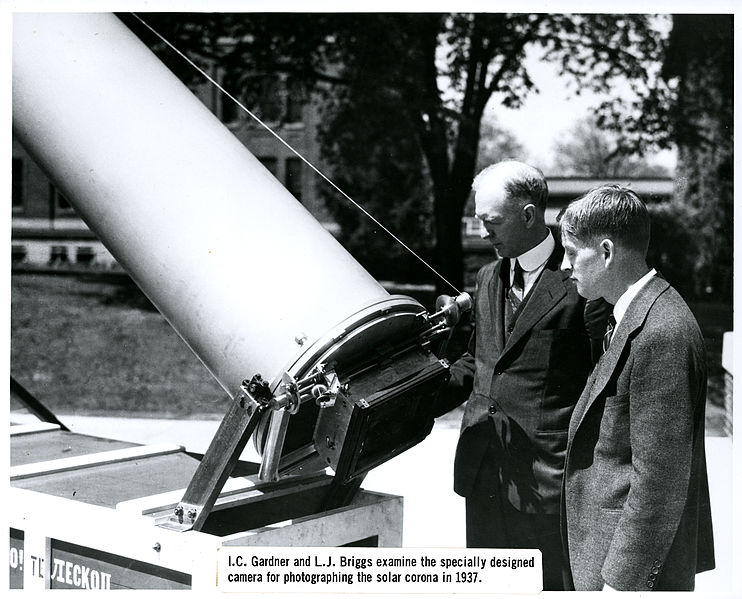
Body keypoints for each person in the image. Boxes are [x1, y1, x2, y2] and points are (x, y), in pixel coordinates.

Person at [434, 160, 607, 591]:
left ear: (528, 215)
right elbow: (482, 362)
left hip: (550, 484)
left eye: (490, 221)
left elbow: (604, 387)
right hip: (484, 474)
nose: (482, 232)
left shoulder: (581, 282)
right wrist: (415, 389)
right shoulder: (488, 276)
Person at [559, 185, 715, 591]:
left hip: (625, 577)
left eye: (573, 252)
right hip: (608, 554)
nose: (565, 265)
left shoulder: (662, 330)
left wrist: (623, 584)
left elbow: (659, 482)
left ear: (607, 252)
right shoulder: (630, 314)